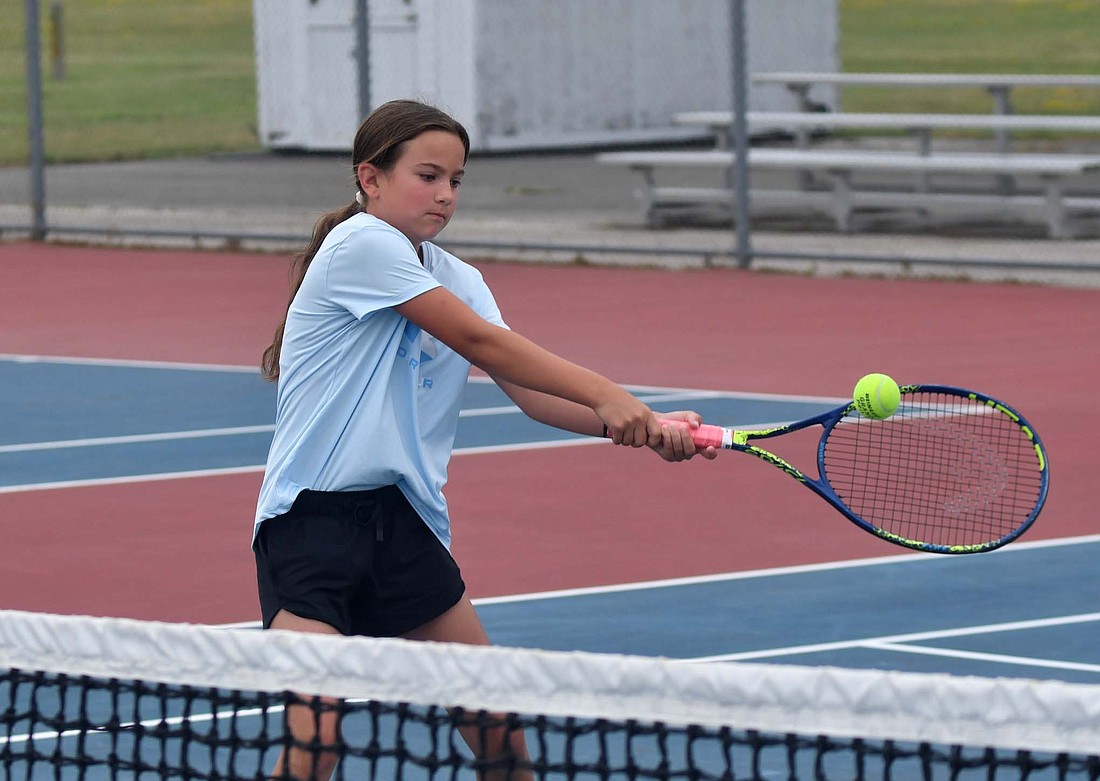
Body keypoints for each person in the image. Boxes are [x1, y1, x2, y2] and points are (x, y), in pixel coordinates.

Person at [253, 99, 715, 781]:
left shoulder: (459, 277)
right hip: (310, 526)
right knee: (317, 738)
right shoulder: (359, 246)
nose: (444, 194)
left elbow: (530, 396)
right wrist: (610, 393)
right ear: (370, 178)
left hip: (404, 525)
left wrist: (645, 428)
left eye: (456, 181)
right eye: (428, 175)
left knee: (499, 734)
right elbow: (478, 340)